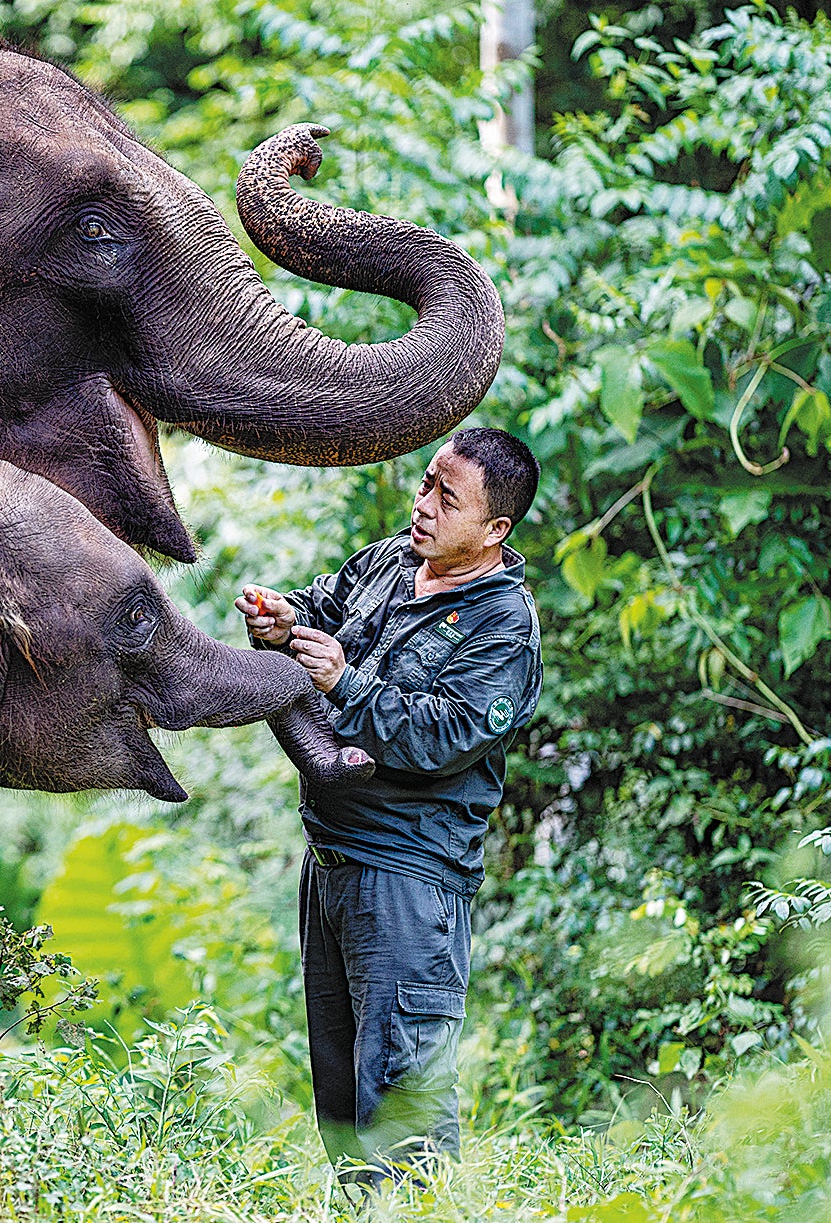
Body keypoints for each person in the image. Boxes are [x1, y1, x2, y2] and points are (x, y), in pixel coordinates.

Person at [235, 427, 543, 1179]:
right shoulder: (393, 558)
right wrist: (284, 619)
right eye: (427, 482)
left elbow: (444, 734)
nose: (424, 505)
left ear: (495, 529)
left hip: (409, 879)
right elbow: (326, 606)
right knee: (341, 1100)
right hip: (331, 862)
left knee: (403, 1102)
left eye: (448, 497)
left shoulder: (504, 626)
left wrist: (346, 682)